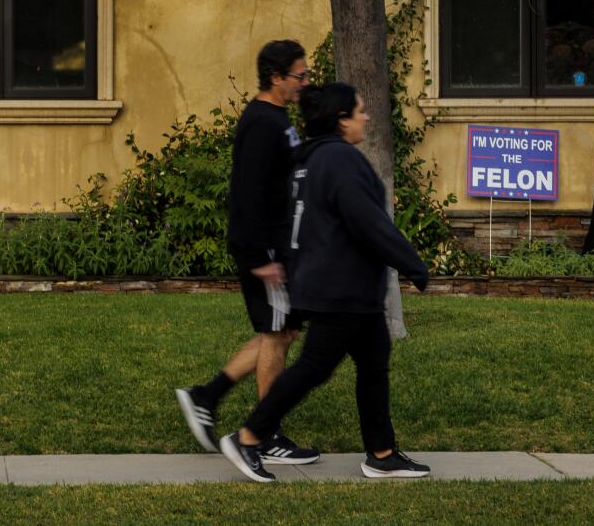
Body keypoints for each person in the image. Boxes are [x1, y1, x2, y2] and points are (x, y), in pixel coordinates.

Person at [218, 82, 432, 483]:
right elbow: (368, 223)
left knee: (373, 363)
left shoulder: (306, 158)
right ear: (341, 120)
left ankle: (382, 453)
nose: (366, 117)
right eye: (361, 111)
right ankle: (249, 437)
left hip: (337, 285)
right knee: (314, 367)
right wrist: (413, 264)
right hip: (340, 287)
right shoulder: (340, 159)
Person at [175, 39, 319, 466]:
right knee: (277, 335)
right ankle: (266, 434)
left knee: (284, 330)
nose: (305, 82)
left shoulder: (279, 119)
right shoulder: (262, 122)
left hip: (279, 246)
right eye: (300, 75)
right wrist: (260, 258)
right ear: (276, 78)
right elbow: (247, 195)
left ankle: (207, 395)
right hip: (265, 251)